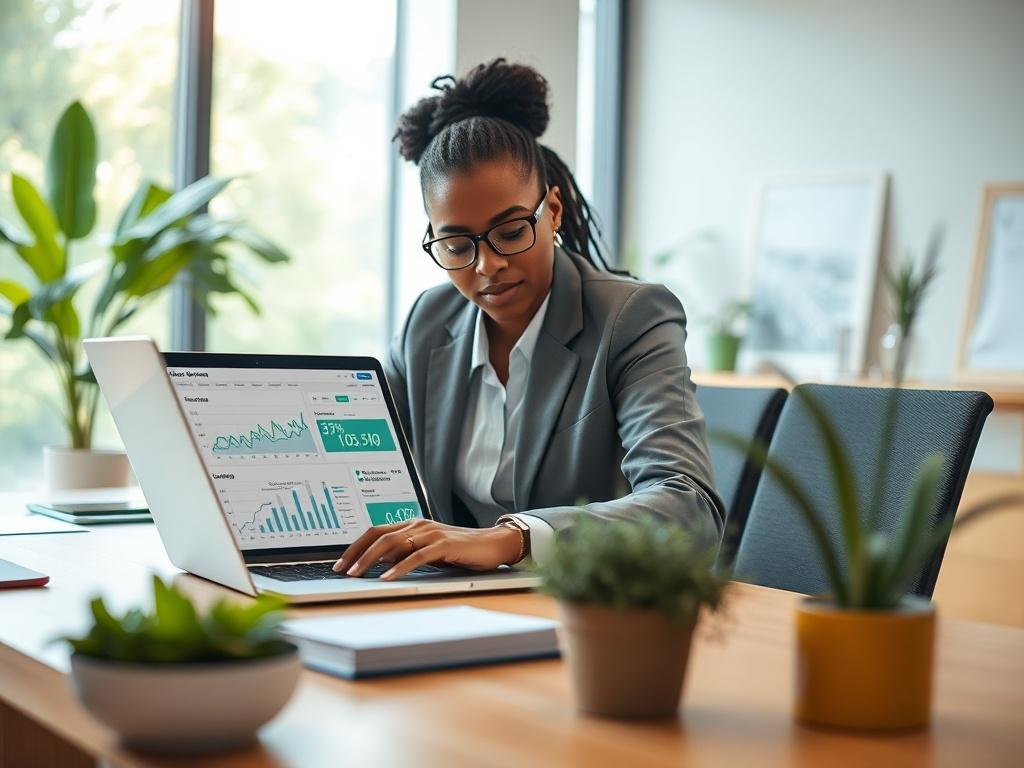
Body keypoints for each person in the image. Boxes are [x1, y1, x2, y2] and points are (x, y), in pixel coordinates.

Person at [333, 59, 723, 580]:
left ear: (553, 211)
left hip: (590, 610)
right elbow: (369, 473)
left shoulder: (630, 319)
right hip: (453, 603)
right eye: (455, 244)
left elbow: (688, 508)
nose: (487, 265)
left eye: (512, 231)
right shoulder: (427, 322)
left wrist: (513, 538)